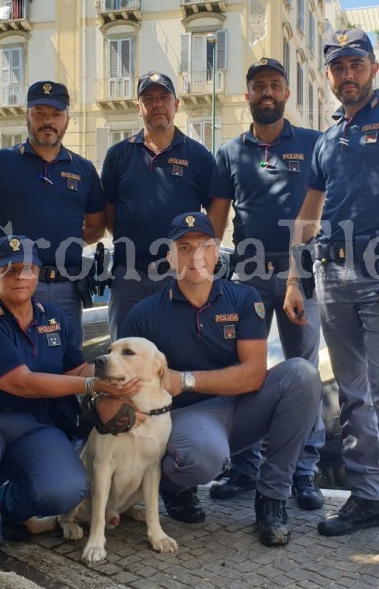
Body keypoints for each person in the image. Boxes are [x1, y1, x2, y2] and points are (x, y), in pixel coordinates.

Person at [283, 29, 379, 580]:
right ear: (328, 75)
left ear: (373, 68)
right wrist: (292, 278)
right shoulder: (327, 141)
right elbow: (307, 215)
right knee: (350, 394)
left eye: (356, 63)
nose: (346, 74)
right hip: (333, 274)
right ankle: (367, 497)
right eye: (337, 67)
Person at [0, 234, 139, 566]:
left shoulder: (53, 316)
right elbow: (22, 383)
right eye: (10, 269)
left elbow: (75, 368)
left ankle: (8, 508)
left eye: (28, 269)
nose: (21, 277)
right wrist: (90, 384)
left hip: (35, 425)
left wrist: (113, 378)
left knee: (67, 489)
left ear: (38, 273)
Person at [120, 212, 322, 547]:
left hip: (240, 407)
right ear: (170, 256)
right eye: (184, 248)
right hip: (187, 418)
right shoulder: (145, 314)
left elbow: (254, 374)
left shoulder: (242, 299)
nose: (195, 256)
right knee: (204, 457)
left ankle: (271, 499)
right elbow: (130, 388)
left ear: (217, 253)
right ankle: (173, 486)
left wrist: (184, 379)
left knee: (302, 374)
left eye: (204, 247)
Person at [206, 57, 325, 511]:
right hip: (248, 276)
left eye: (275, 85)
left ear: (287, 94)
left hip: (301, 274)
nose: (268, 93)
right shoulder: (229, 153)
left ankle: (305, 472)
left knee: (305, 372)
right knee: (243, 369)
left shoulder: (314, 144)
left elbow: (321, 212)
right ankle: (243, 467)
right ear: (248, 94)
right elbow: (216, 226)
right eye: (259, 86)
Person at [0, 81, 105, 337]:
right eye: (40, 113)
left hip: (66, 291)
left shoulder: (84, 170)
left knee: (65, 367)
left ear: (67, 120)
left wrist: (60, 241)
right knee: (8, 368)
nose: (48, 121)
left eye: (56, 114)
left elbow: (96, 229)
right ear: (27, 116)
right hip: (12, 286)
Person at [101, 72, 215, 338]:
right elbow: (109, 213)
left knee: (178, 353)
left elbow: (214, 212)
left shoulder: (198, 156)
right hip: (128, 274)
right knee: (125, 358)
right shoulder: (118, 155)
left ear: (176, 104)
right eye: (149, 98)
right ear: (138, 107)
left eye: (164, 97)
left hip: (179, 276)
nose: (157, 104)